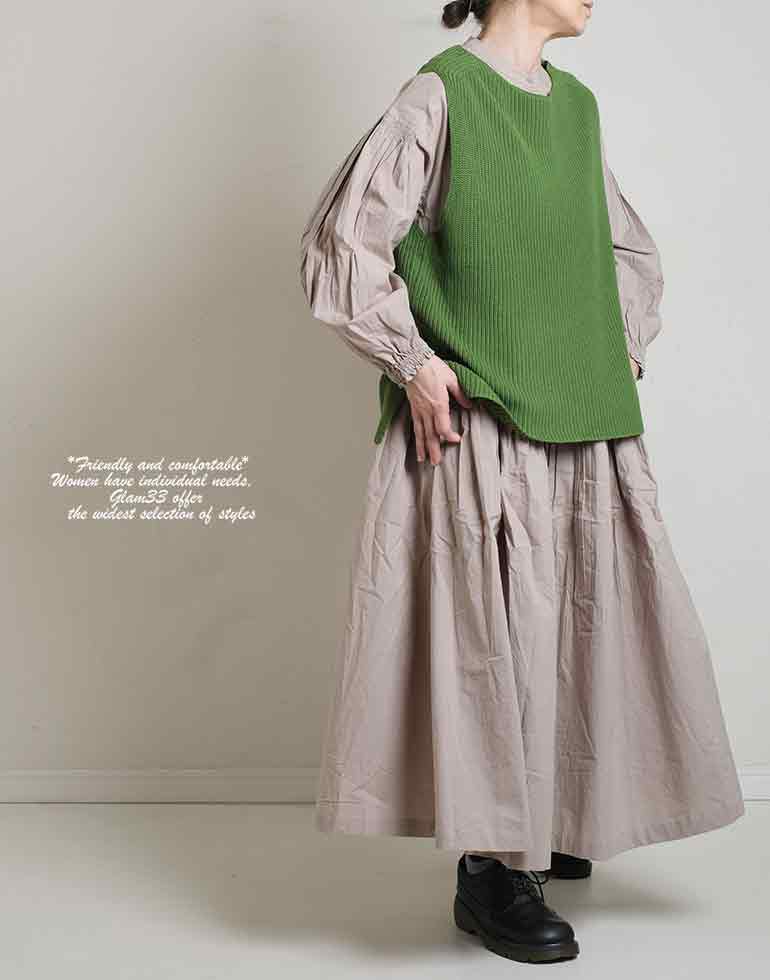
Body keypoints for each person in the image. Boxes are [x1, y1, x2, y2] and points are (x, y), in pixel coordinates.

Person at [298, 0, 745, 965]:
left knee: (580, 627)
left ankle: (553, 813)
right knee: (494, 639)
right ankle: (493, 866)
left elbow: (623, 247)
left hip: (586, 422)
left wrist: (617, 349)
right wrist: (414, 364)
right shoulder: (440, 96)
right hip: (487, 424)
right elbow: (344, 245)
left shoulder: (576, 107)